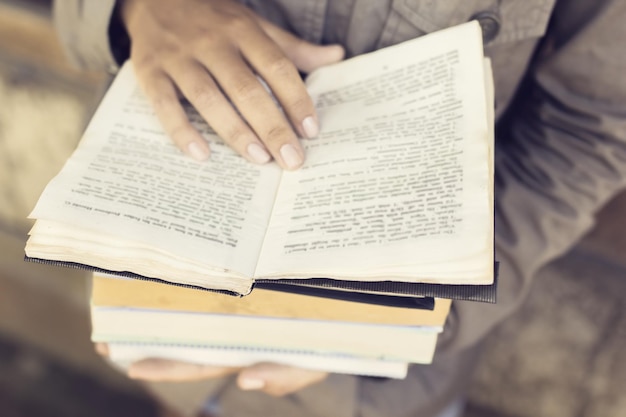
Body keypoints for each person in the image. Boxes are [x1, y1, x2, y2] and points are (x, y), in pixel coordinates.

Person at [53, 0, 626, 416]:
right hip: (169, 316)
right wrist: (137, 10)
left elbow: (587, 128)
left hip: (380, 387)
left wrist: (397, 324)